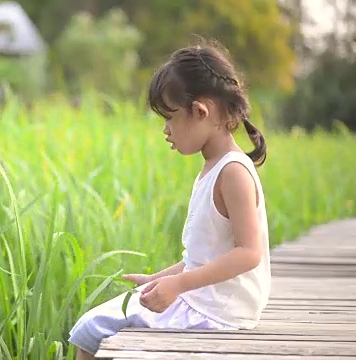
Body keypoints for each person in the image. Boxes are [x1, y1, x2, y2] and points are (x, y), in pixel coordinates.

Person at [68, 40, 271, 360]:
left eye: (170, 117)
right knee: (95, 327)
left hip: (218, 311)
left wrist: (178, 286)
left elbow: (248, 253)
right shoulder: (214, 167)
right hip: (208, 301)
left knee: (92, 328)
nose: (166, 130)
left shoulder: (232, 172)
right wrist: (160, 279)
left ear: (200, 111)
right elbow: (204, 257)